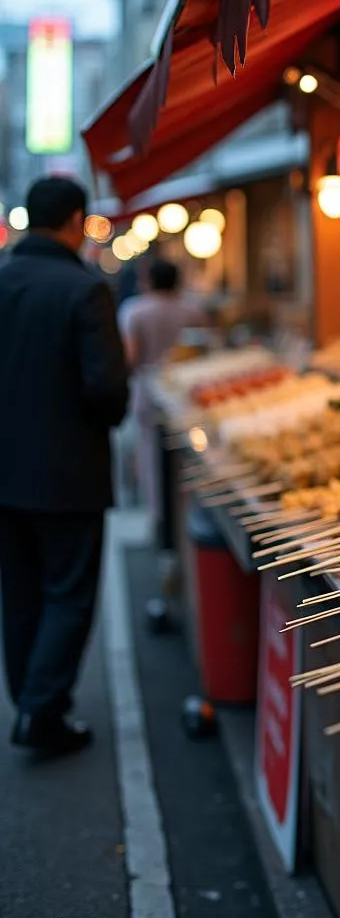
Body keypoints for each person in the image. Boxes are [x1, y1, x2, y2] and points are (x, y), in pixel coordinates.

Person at [0, 176, 129, 755]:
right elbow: (107, 390)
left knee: (21, 592)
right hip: (68, 469)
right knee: (68, 593)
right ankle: (41, 711)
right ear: (76, 220)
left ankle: (31, 701)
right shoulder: (83, 290)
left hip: (6, 470)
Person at [123, 259, 205, 524]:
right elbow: (205, 350)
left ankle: (159, 517)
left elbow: (131, 357)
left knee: (150, 454)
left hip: (147, 390)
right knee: (188, 459)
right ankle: (183, 516)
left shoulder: (135, 311)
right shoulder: (192, 311)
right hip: (188, 390)